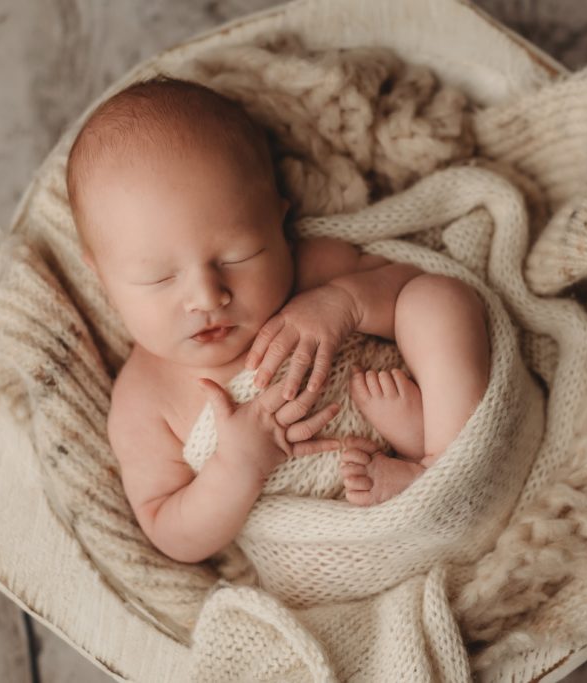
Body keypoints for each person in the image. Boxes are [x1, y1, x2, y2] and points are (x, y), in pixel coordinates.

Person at [66, 76, 490, 564]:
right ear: (101, 276)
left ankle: (441, 459)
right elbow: (169, 530)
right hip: (336, 550)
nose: (207, 296)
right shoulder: (144, 398)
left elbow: (408, 287)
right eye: (159, 279)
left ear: (278, 222)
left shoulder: (311, 272)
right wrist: (237, 466)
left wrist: (345, 301)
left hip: (437, 456)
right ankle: (427, 473)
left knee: (442, 299)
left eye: (238, 255)